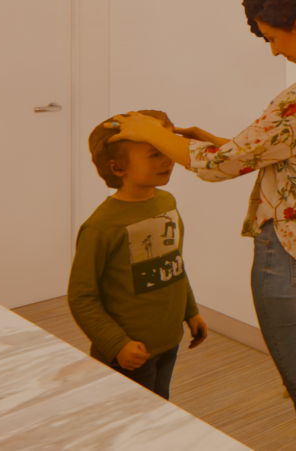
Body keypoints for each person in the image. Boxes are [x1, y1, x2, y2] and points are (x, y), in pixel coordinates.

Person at [105, 0, 296, 451]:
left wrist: (152, 134)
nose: (274, 52)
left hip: (292, 254)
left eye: (273, 39)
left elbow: (217, 169)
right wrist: (209, 140)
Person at [69, 109, 209, 399]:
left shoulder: (166, 201)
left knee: (159, 409)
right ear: (117, 168)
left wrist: (190, 310)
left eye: (167, 147)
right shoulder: (101, 227)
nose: (168, 159)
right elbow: (82, 297)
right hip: (129, 351)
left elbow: (172, 263)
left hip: (168, 340)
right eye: (154, 153)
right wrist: (117, 344)